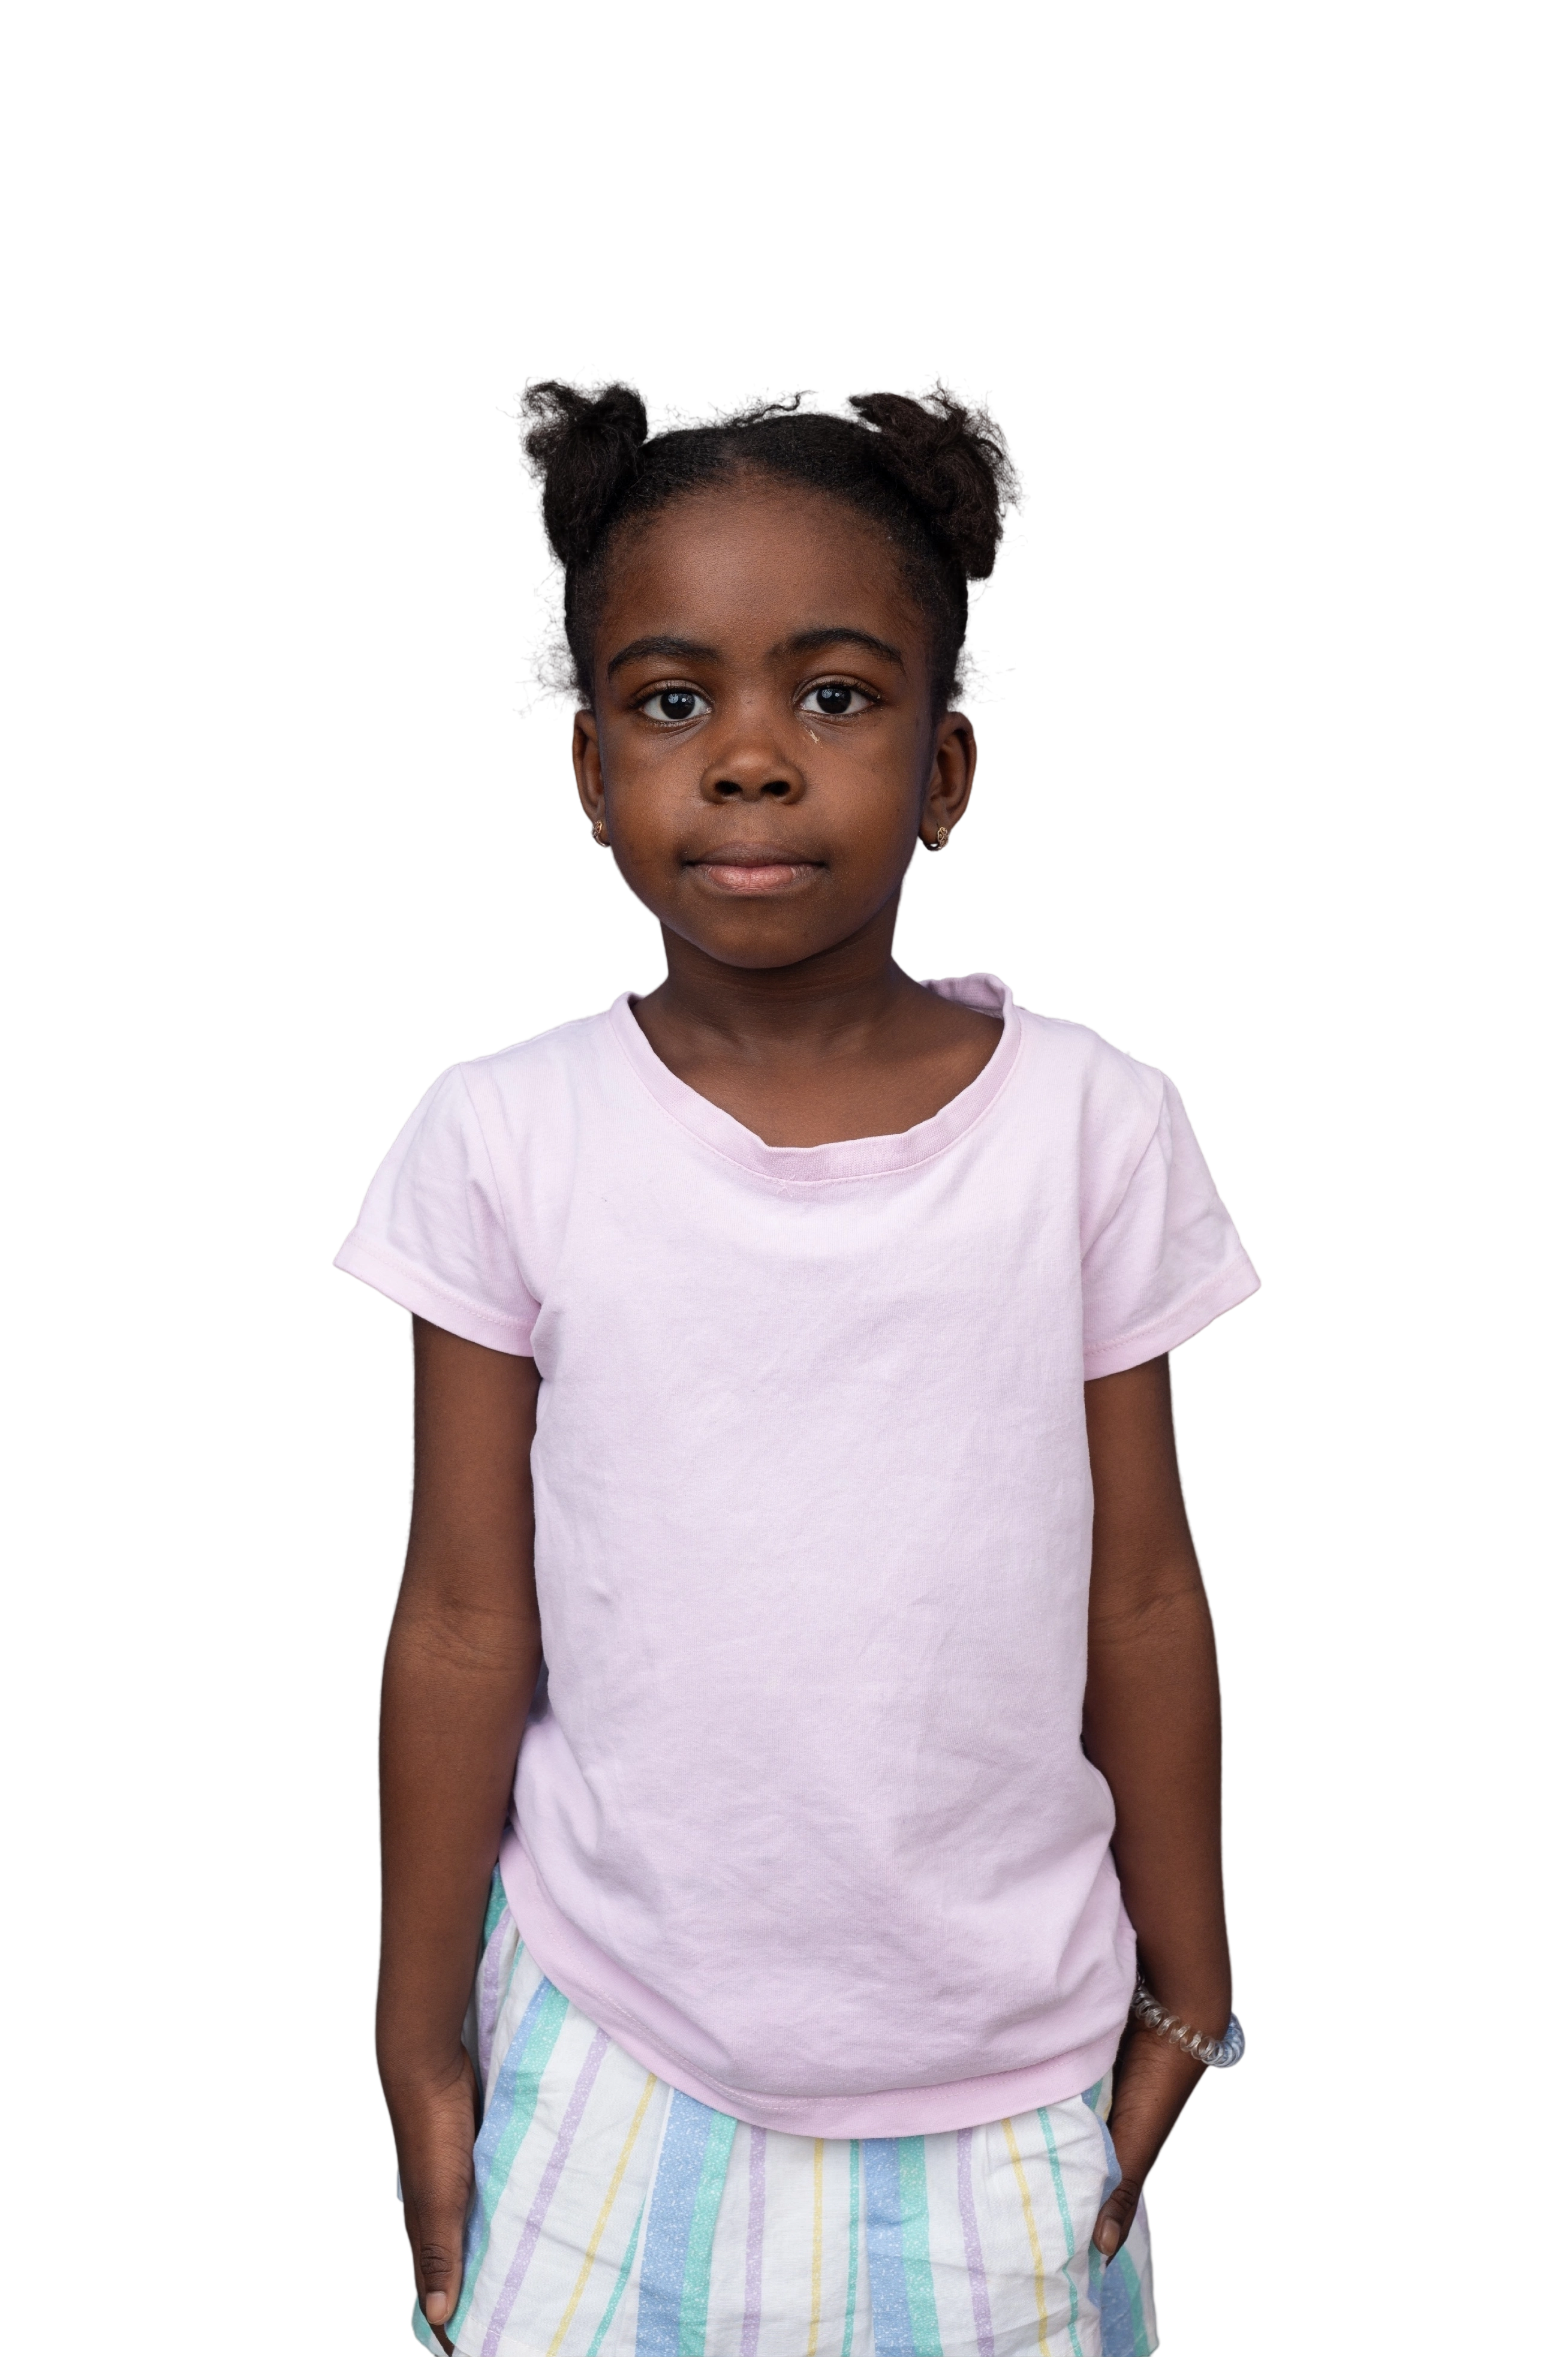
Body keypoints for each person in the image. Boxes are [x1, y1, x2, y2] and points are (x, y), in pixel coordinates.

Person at [332, 366, 1262, 2357]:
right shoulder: (501, 1138)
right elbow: (466, 1617)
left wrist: (1190, 1978)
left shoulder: (1092, 1131)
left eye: (833, 695)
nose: (751, 759)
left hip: (1009, 2075)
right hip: (606, 2054)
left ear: (945, 768)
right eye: (674, 703)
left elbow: (1140, 1588)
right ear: (590, 777)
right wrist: (418, 2035)